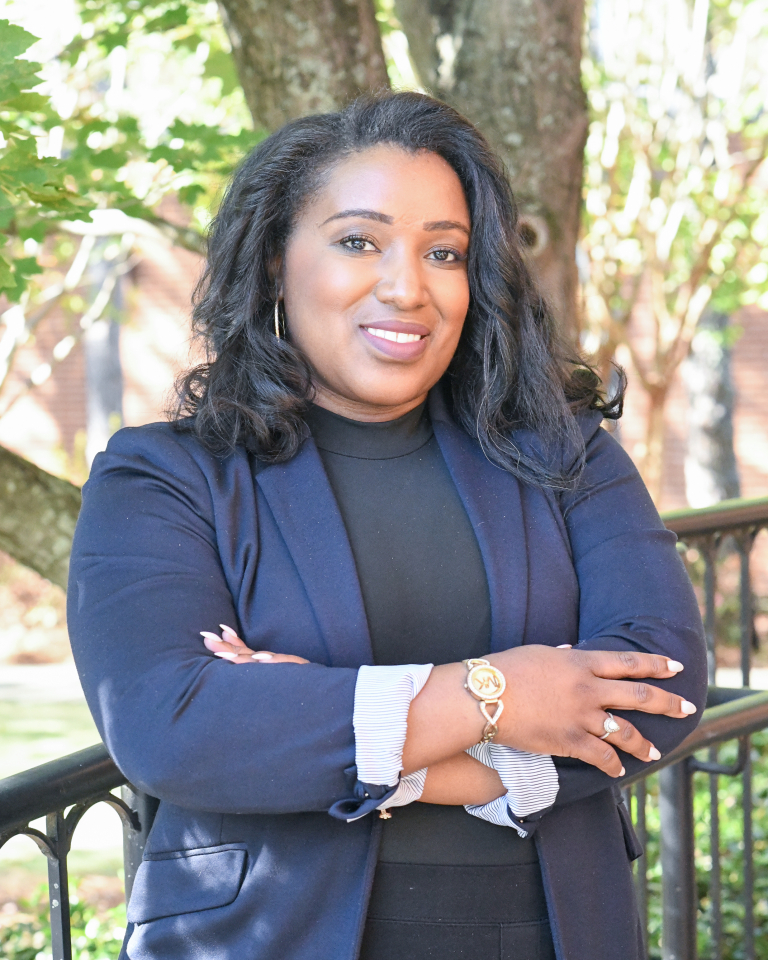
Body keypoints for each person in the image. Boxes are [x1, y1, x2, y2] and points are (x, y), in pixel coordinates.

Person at [68, 91, 707, 960]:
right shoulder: (165, 477)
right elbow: (172, 726)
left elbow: (663, 685)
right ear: (274, 263)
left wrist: (363, 740)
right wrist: (499, 695)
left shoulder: (565, 455)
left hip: (551, 933)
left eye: (444, 252)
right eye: (358, 242)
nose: (407, 287)